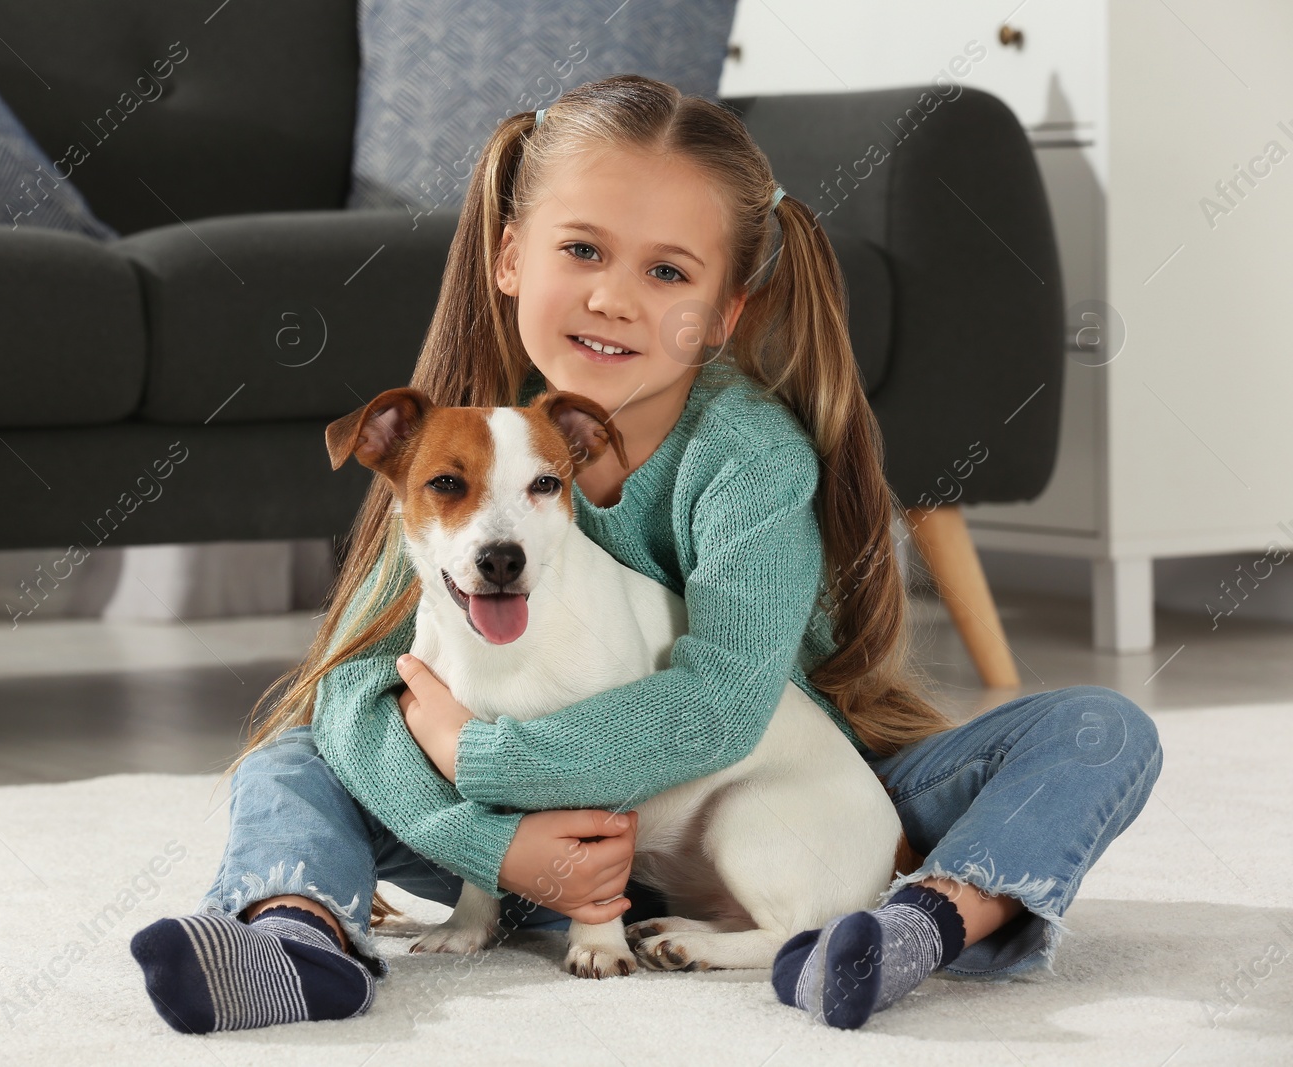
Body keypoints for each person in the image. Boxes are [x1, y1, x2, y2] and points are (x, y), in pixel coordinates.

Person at [129, 73, 1162, 1033]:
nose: (614, 297)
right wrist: (499, 845)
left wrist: (477, 759)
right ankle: (297, 933)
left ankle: (919, 921)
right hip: (536, 836)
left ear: (724, 312)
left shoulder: (746, 458)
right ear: (507, 255)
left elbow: (721, 706)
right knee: (294, 752)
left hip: (789, 782)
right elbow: (359, 682)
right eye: (581, 250)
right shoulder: (462, 461)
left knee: (1098, 728)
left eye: (665, 270)